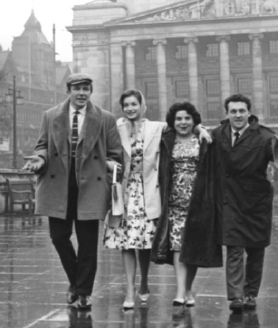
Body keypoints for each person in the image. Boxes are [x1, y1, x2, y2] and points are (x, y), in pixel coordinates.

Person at [103, 90, 212, 311]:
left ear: (143, 106)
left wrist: (201, 128)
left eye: (134, 104)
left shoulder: (157, 127)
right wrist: (108, 164)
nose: (130, 108)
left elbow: (183, 126)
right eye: (126, 105)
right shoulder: (117, 126)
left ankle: (144, 280)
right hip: (125, 192)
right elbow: (105, 150)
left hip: (149, 191)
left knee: (144, 242)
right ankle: (130, 289)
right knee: (126, 242)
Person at [23, 73, 123, 310]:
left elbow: (115, 154)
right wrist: (38, 160)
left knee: (88, 243)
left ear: (90, 91)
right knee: (59, 237)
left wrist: (108, 173)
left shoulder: (105, 118)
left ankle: (84, 293)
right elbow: (43, 146)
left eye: (86, 88)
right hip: (59, 185)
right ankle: (76, 282)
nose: (82, 93)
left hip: (91, 186)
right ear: (68, 90)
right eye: (77, 88)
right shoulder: (51, 116)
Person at [211, 94, 278, 312]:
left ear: (249, 113)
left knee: (256, 250)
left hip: (256, 201)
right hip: (230, 199)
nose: (238, 115)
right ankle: (236, 296)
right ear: (227, 113)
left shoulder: (265, 136)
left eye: (242, 111)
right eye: (233, 111)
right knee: (234, 247)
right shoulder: (217, 134)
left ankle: (250, 294)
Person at [151, 102, 223, 309]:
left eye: (187, 119)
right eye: (179, 119)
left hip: (199, 201)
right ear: (173, 122)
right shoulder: (166, 139)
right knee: (177, 247)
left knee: (191, 247)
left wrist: (201, 130)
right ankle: (181, 291)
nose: (183, 123)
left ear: (194, 120)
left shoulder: (205, 140)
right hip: (173, 202)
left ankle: (187, 288)